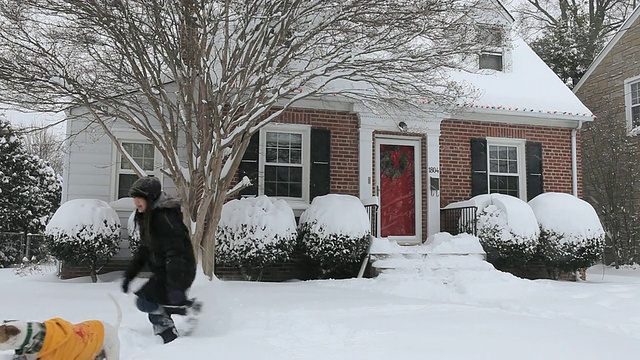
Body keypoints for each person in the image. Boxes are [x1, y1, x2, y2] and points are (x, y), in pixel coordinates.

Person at [121, 176, 198, 344]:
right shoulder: (148, 216)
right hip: (165, 272)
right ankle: (182, 315)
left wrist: (175, 287)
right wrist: (130, 275)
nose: (136, 202)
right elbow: (145, 250)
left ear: (150, 198)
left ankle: (171, 334)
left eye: (139, 198)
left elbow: (177, 253)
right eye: (134, 198)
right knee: (148, 301)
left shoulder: (164, 218)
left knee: (148, 302)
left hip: (179, 271)